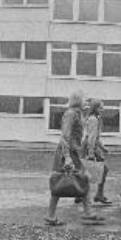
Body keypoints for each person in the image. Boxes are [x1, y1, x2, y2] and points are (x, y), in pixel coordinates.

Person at [45, 92, 104, 226]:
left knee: (83, 179)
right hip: (68, 152)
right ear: (78, 100)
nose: (86, 101)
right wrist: (66, 157)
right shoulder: (71, 113)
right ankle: (51, 215)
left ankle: (86, 212)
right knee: (60, 181)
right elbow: (65, 135)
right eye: (84, 99)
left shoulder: (77, 113)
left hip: (74, 152)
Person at [78, 99, 112, 205]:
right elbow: (91, 137)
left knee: (87, 170)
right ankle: (97, 195)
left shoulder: (95, 118)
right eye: (100, 108)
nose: (102, 110)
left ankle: (80, 194)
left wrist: (103, 147)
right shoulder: (94, 119)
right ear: (95, 108)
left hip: (90, 145)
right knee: (102, 169)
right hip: (90, 146)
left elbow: (95, 137)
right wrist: (91, 153)